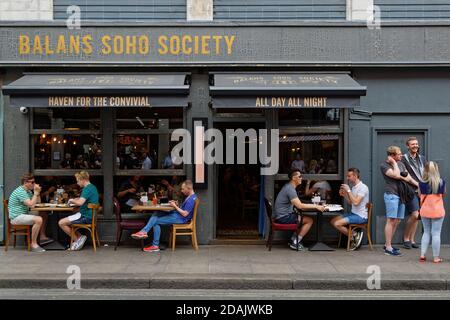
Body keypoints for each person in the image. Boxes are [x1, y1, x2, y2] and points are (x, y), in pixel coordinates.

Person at [131, 180, 198, 253]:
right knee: (156, 213)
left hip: (180, 218)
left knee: (155, 222)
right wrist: (177, 204)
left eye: (183, 189)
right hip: (178, 215)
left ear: (188, 188)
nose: (182, 191)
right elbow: (184, 210)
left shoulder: (191, 199)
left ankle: (153, 244)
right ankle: (145, 234)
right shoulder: (191, 197)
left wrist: (175, 206)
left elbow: (185, 214)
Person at [273, 169, 325, 251]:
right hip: (284, 217)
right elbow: (300, 206)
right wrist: (316, 206)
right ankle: (296, 242)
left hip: (283, 215)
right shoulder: (290, 189)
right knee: (309, 220)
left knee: (303, 218)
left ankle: (294, 239)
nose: (301, 178)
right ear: (294, 178)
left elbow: (298, 203)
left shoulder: (288, 186)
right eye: (300, 176)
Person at [380, 146, 418, 256]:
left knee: (397, 220)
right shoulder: (384, 165)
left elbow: (409, 178)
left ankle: (389, 244)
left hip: (402, 195)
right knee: (391, 220)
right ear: (392, 156)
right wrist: (394, 164)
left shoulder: (401, 164)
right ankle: (388, 248)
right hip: (392, 195)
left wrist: (419, 185)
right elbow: (396, 175)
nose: (401, 155)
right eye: (399, 154)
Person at [8, 173, 52, 252]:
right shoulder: (20, 191)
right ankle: (33, 244)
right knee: (38, 219)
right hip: (16, 217)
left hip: (23, 214)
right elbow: (31, 205)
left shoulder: (28, 191)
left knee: (43, 214)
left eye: (34, 182)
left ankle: (42, 237)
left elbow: (37, 202)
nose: (34, 184)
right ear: (25, 182)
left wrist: (37, 193)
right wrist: (35, 193)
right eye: (32, 182)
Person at [58, 171, 99, 251]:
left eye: (78, 180)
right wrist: (77, 199)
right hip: (90, 215)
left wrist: (72, 200)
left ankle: (77, 240)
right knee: (68, 219)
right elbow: (83, 200)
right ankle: (80, 237)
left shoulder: (86, 189)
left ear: (83, 179)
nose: (77, 183)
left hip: (86, 216)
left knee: (61, 222)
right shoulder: (92, 187)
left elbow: (80, 202)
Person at [330, 168, 369, 250]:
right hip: (353, 213)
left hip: (361, 216)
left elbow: (356, 202)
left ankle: (354, 235)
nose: (347, 178)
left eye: (349, 176)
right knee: (333, 221)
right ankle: (354, 234)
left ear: (355, 176)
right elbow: (351, 203)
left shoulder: (363, 187)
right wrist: (345, 195)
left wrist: (348, 190)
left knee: (337, 224)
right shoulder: (354, 187)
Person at [401, 137, 426, 249]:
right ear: (408, 146)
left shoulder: (422, 159)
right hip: (410, 190)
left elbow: (425, 174)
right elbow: (404, 176)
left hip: (422, 191)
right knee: (415, 214)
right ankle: (406, 238)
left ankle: (412, 239)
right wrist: (417, 185)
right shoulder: (403, 159)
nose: (415, 146)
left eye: (416, 144)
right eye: (412, 144)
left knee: (417, 216)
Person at [418, 161, 446, 263]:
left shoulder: (421, 182)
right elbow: (443, 194)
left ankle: (422, 255)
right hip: (437, 210)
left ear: (425, 170)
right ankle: (435, 257)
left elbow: (419, 195)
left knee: (426, 232)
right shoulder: (441, 182)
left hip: (425, 210)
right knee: (436, 234)